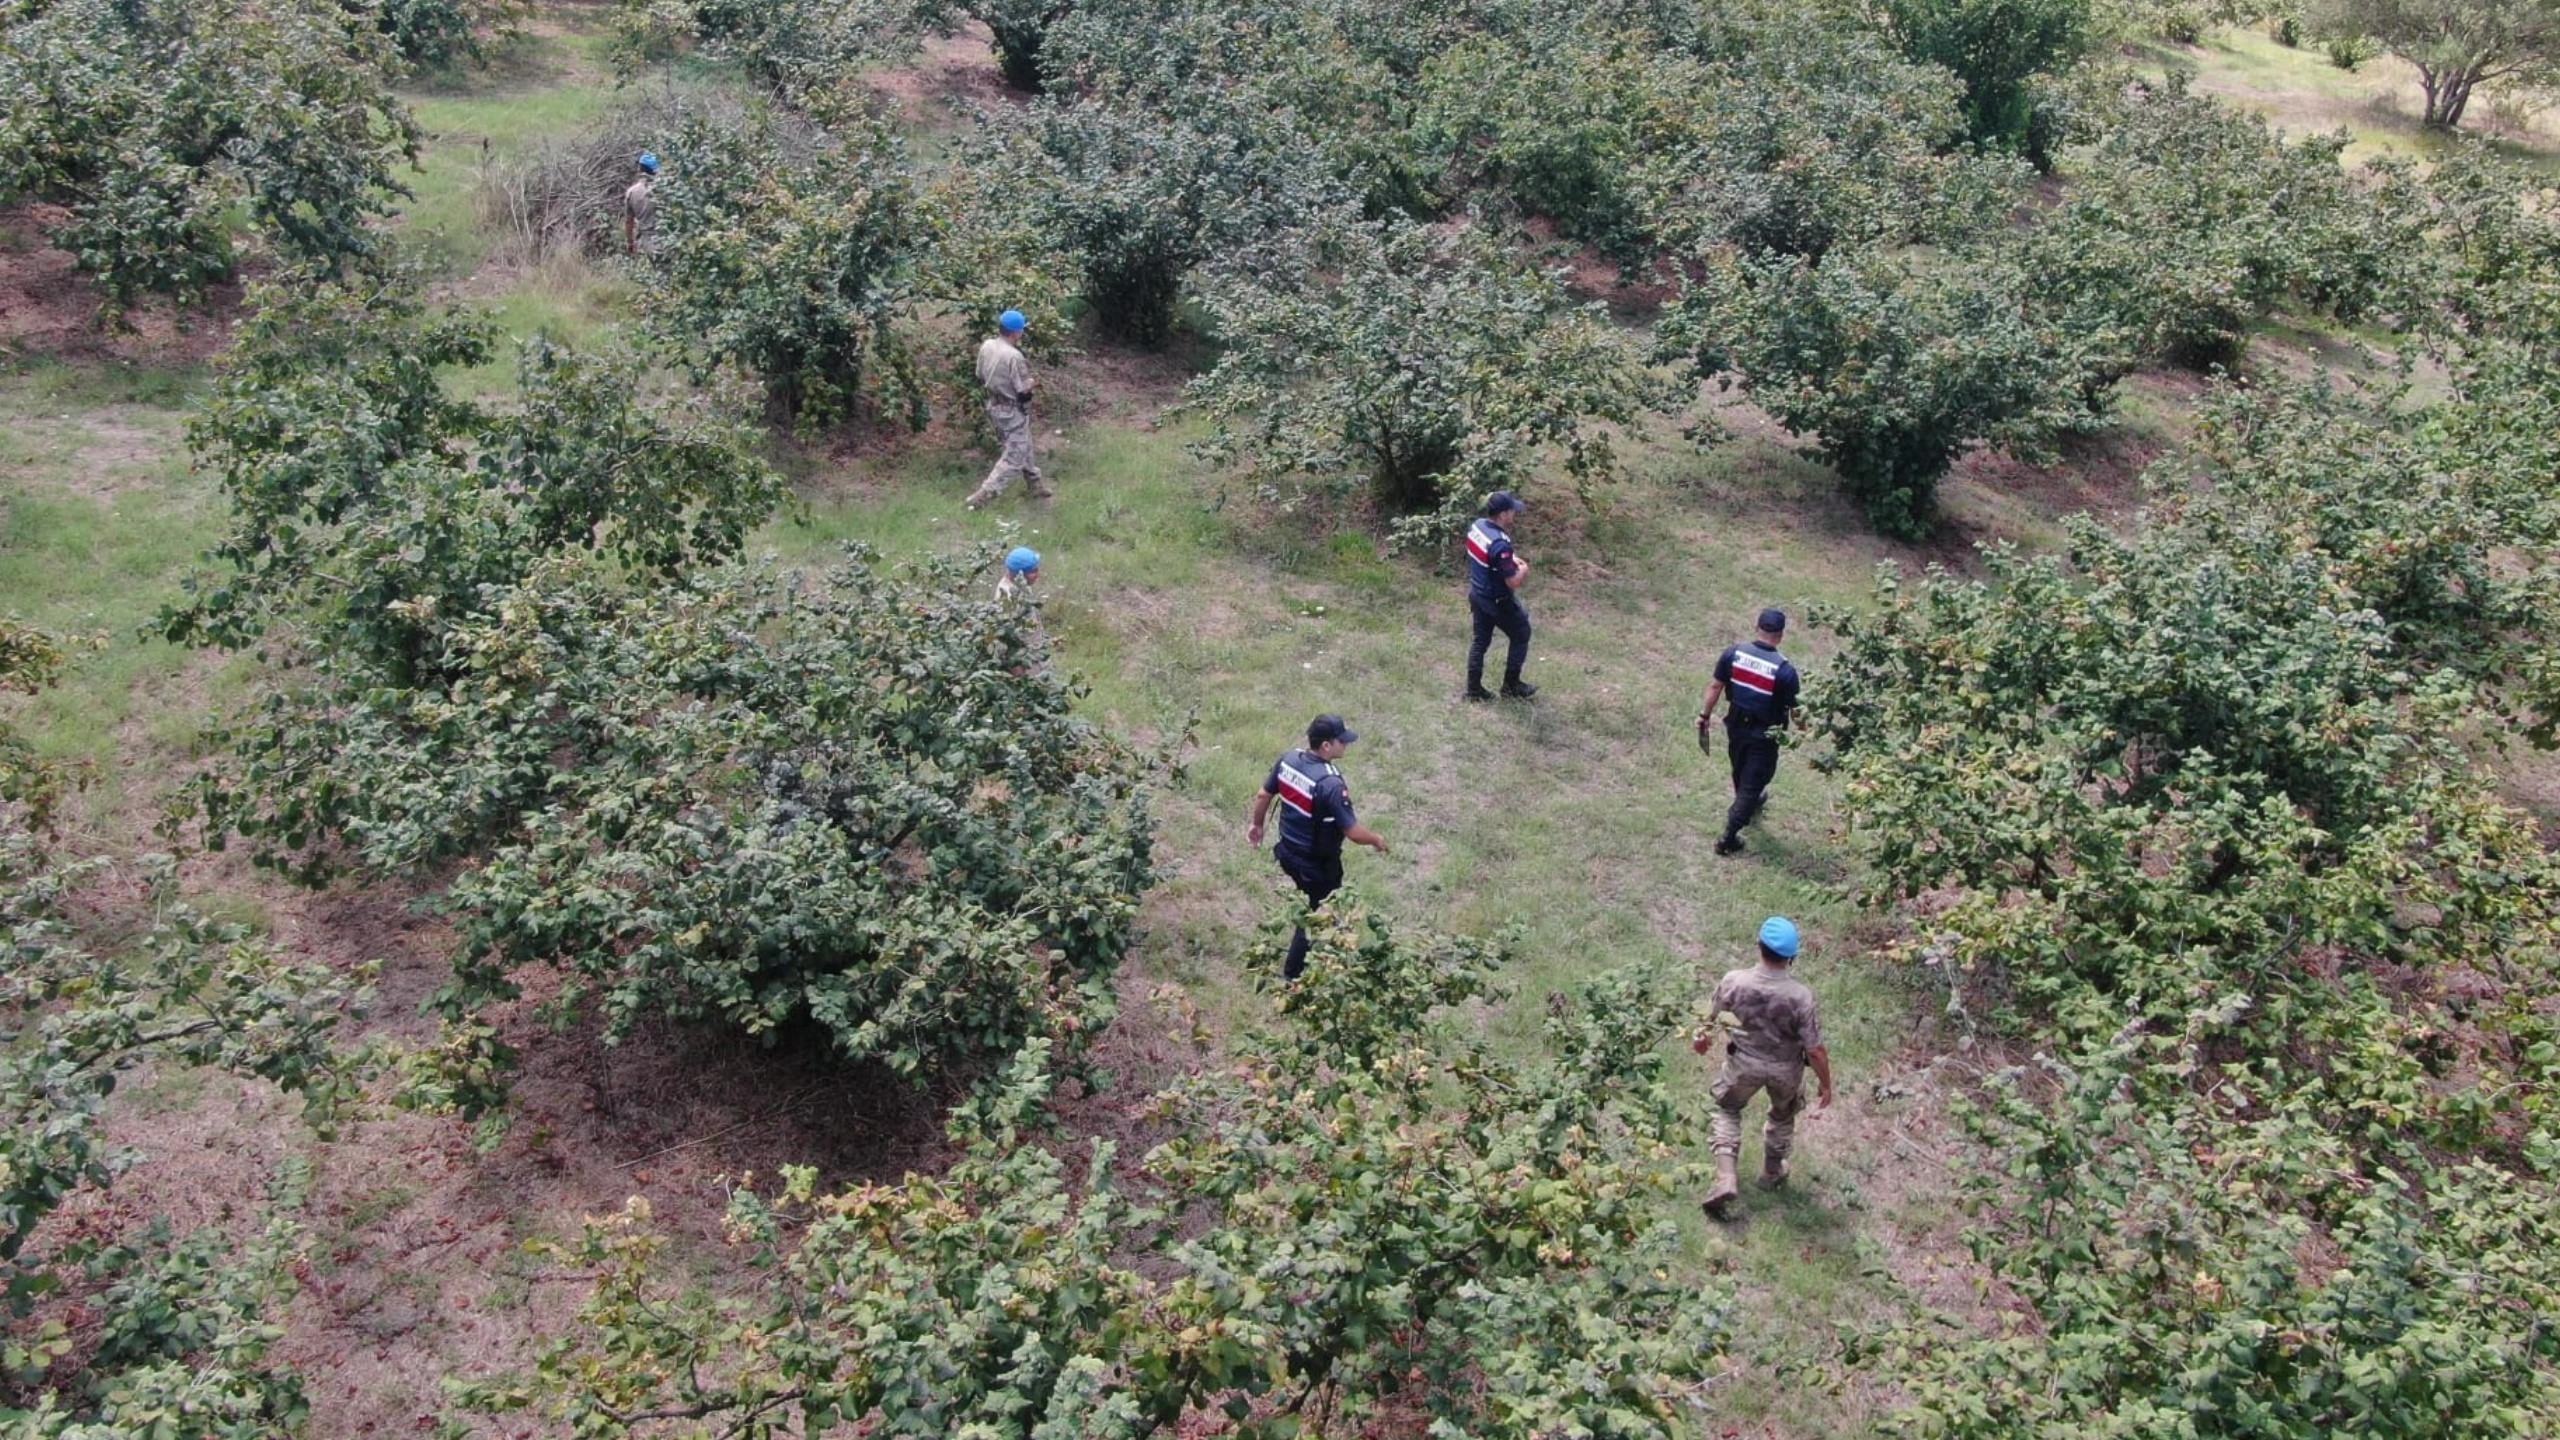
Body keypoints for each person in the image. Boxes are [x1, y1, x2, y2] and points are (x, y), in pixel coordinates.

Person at [1694, 915, 1833, 1221]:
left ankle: (1726, 1177)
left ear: (1758, 946)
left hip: (1743, 1063)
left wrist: (1700, 1038)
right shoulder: (1800, 997)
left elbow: (1709, 1015)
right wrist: (1825, 1084)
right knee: (1783, 1116)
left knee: (1727, 1109)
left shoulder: (1735, 981)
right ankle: (1771, 1171)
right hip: (1786, 1069)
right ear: (1792, 958)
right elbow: (1814, 1048)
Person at [1244, 715, 1389, 980]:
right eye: (1341, 741)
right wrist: (1377, 839)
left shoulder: (1289, 760)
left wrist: (1257, 825)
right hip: (1316, 864)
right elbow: (1353, 833)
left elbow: (1264, 794)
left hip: (1288, 851)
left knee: (1319, 905)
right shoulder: (1330, 784)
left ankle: (1326, 942)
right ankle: (1293, 976)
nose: (1346, 745)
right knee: (1317, 913)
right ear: (1325, 745)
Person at [1697, 607, 1801, 856]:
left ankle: (1749, 801)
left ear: (1757, 628)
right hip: (1765, 732)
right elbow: (1796, 709)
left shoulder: (1734, 653)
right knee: (1755, 779)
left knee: (1741, 767)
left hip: (1735, 724)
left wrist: (1704, 715)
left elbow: (1716, 685)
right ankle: (1729, 836)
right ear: (1781, 635)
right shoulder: (1785, 671)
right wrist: (1804, 730)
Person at [967, 310, 1051, 508]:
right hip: (1011, 410)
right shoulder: (1014, 356)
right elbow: (1022, 390)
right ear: (1016, 333)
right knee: (1014, 456)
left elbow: (979, 374)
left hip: (993, 406)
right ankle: (983, 496)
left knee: (1024, 443)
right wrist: (1032, 383)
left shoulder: (987, 345)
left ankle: (1035, 484)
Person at [1462, 491, 1536, 702]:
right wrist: (1523, 568)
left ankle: (1473, 691)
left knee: (1480, 642)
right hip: (1497, 600)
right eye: (1512, 510)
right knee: (1521, 633)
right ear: (1503, 514)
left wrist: (1510, 557)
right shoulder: (1501, 544)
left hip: (1477, 594)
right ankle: (1511, 687)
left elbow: (1489, 554)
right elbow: (1512, 580)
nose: (1514, 513)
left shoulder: (1477, 526)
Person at [623, 152, 658, 257]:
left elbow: (629, 222)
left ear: (639, 169)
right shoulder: (665, 189)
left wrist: (630, 242)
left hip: (646, 241)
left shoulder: (632, 192)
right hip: (666, 239)